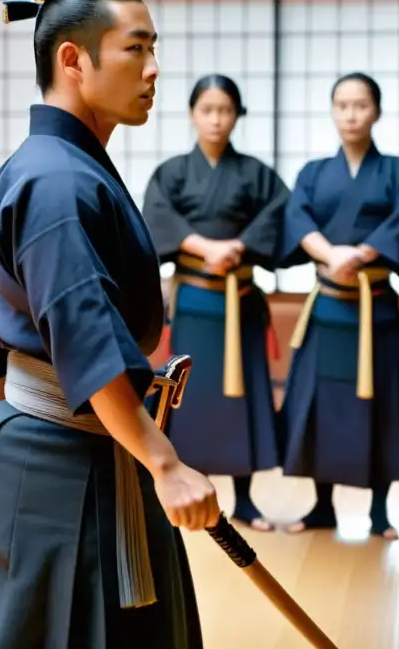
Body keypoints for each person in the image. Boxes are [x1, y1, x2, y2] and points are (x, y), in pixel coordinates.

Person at [0, 0, 218, 649]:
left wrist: (2, 419)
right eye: (135, 49)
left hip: (48, 451)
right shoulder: (56, 180)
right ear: (74, 61)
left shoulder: (38, 166)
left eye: (152, 47)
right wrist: (163, 462)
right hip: (67, 468)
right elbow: (83, 334)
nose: (154, 68)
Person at [278, 73, 399, 537]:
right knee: (322, 403)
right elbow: (297, 216)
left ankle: (380, 511)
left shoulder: (398, 172)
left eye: (360, 105)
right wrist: (329, 254)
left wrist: (360, 254)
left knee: (377, 403)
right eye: (342, 105)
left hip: (373, 307)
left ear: (376, 111)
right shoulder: (314, 173)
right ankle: (322, 505)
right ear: (333, 111)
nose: (351, 114)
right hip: (328, 307)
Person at [142, 74, 288, 533]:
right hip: (195, 303)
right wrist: (202, 245)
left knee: (239, 396)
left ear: (236, 115)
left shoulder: (255, 174)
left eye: (225, 110)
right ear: (192, 114)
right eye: (207, 110)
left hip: (239, 301)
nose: (216, 119)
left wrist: (240, 247)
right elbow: (158, 216)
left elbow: (280, 214)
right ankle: (186, 490)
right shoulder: (172, 173)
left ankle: (244, 499)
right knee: (192, 396)